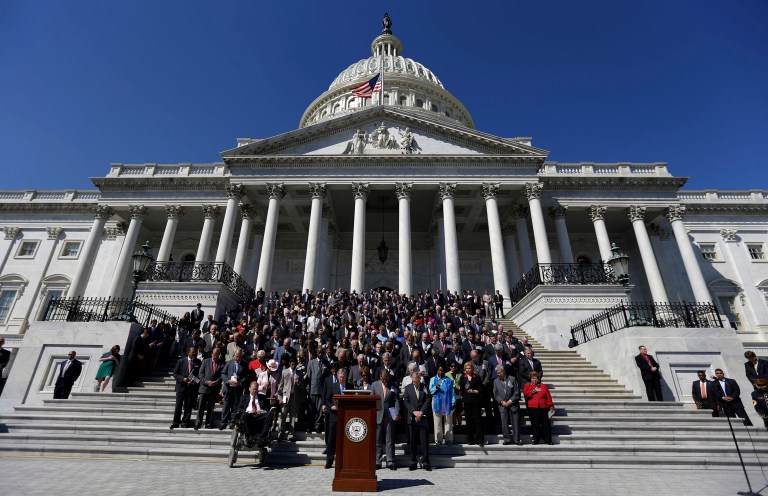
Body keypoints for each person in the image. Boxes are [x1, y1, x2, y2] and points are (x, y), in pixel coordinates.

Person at [403, 371, 431, 471]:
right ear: (412, 379)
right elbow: (406, 401)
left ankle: (425, 461)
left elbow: (428, 399)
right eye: (414, 381)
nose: (416, 382)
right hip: (412, 418)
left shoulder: (424, 387)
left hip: (423, 417)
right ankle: (413, 461)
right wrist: (414, 411)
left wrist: (421, 411)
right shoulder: (408, 388)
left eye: (418, 380)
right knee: (413, 441)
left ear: (420, 379)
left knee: (424, 441)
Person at [371, 369, 399, 470]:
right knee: (378, 440)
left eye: (386, 379)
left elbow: (396, 400)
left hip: (389, 415)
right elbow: (372, 400)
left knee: (389, 440)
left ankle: (390, 461)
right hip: (378, 415)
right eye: (383, 380)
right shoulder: (374, 385)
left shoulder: (393, 385)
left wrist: (396, 413)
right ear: (380, 377)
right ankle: (377, 461)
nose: (385, 381)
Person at [323, 368, 349, 468]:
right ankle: (329, 462)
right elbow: (327, 399)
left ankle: (344, 461)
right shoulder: (333, 387)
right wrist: (331, 407)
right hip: (334, 416)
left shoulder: (350, 387)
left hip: (346, 417)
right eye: (340, 377)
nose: (341, 379)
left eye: (343, 377)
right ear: (338, 377)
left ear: (346, 377)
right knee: (331, 440)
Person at [171, 347, 201, 429]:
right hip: (181, 387)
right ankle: (176, 422)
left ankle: (185, 422)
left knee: (188, 407)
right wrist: (183, 379)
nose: (194, 354)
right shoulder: (181, 361)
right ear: (188, 352)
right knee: (178, 406)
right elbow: (175, 373)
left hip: (191, 388)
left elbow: (200, 374)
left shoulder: (198, 362)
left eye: (195, 352)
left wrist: (195, 380)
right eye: (193, 352)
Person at [493, 365, 522, 445]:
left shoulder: (512, 379)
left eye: (499, 372)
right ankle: (507, 440)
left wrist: (510, 401)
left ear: (503, 371)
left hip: (513, 404)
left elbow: (517, 392)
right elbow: (495, 394)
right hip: (502, 405)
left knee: (515, 423)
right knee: (504, 423)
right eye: (497, 373)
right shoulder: (495, 381)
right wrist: (502, 402)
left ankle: (517, 440)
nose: (498, 374)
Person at [195, 347, 223, 429]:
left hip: (214, 388)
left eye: (217, 355)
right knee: (201, 407)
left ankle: (208, 423)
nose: (216, 356)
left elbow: (222, 375)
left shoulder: (221, 363)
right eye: (215, 354)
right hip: (204, 388)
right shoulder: (205, 361)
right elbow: (200, 374)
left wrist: (217, 381)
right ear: (212, 354)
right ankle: (198, 423)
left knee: (211, 407)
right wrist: (207, 382)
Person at [238, 381, 274, 445]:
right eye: (253, 389)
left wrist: (261, 411)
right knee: (244, 415)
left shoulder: (262, 398)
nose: (254, 391)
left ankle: (262, 437)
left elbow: (266, 409)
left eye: (256, 389)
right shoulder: (244, 397)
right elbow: (239, 408)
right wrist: (249, 411)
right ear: (249, 388)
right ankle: (249, 437)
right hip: (249, 415)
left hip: (259, 415)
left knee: (270, 414)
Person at [523, 371, 554, 445]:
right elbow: (526, 393)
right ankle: (536, 439)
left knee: (546, 424)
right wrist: (533, 391)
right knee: (535, 424)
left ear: (538, 379)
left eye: (536, 378)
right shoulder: (527, 386)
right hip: (533, 407)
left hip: (544, 407)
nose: (534, 380)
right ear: (530, 378)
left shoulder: (544, 386)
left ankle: (548, 440)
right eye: (533, 378)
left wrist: (551, 406)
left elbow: (548, 396)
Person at [220, 349, 248, 429]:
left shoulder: (244, 364)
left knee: (235, 406)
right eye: (236, 356)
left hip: (237, 388)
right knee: (226, 405)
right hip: (228, 388)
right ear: (234, 356)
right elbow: (223, 373)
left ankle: (233, 421)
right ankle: (223, 422)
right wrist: (228, 381)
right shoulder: (229, 363)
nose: (237, 358)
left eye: (239, 357)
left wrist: (240, 382)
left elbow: (246, 376)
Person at [429, 364, 455, 445]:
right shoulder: (433, 379)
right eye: (440, 370)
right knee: (437, 421)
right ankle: (438, 440)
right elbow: (430, 390)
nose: (441, 372)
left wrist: (453, 402)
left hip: (447, 402)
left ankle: (449, 440)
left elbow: (452, 392)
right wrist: (435, 387)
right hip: (437, 402)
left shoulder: (448, 380)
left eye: (443, 370)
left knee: (448, 421)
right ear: (437, 371)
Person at [460, 361, 484, 446]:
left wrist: (474, 391)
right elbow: (462, 390)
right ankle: (470, 439)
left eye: (469, 368)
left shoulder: (477, 377)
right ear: (464, 369)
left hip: (476, 401)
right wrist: (463, 399)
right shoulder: (463, 378)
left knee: (477, 420)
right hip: (467, 402)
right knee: (468, 420)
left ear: (472, 369)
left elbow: (481, 389)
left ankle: (480, 440)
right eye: (466, 368)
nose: (468, 370)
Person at [277, 357, 301, 441]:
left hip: (294, 396)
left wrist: (299, 383)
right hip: (285, 396)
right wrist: (280, 398)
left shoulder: (299, 373)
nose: (293, 366)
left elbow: (302, 387)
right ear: (289, 364)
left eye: (295, 364)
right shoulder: (285, 372)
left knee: (293, 416)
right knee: (283, 414)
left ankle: (291, 434)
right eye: (292, 364)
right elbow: (280, 386)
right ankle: (281, 433)